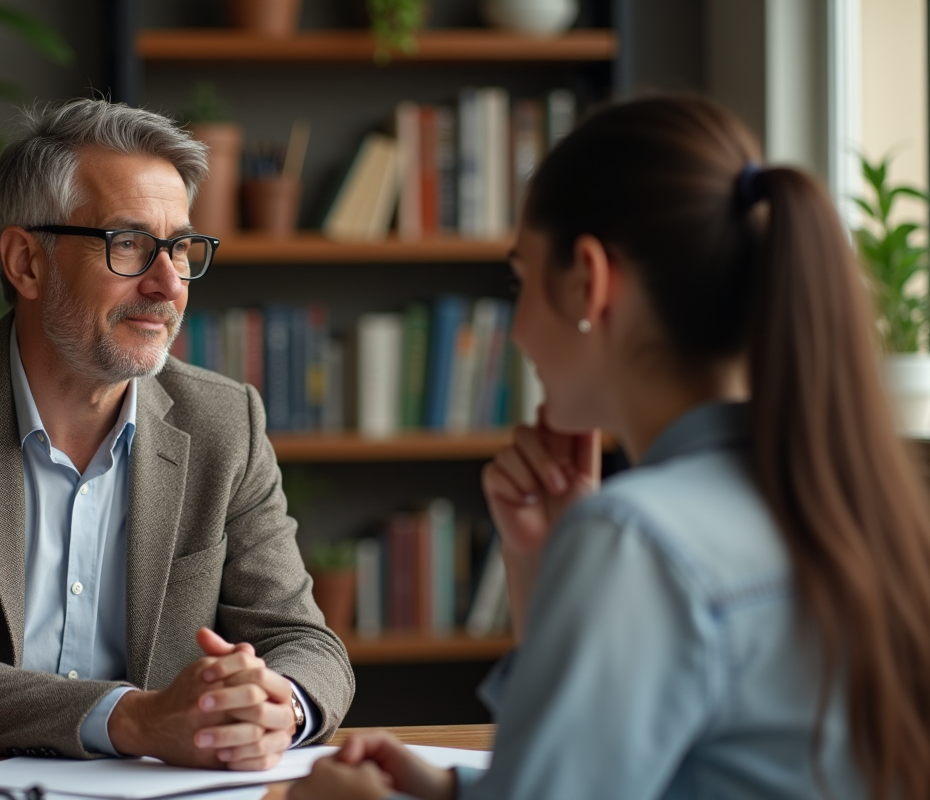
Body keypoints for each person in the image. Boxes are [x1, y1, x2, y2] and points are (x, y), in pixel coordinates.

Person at [290, 95, 930, 799]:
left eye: (521, 279)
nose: (519, 328)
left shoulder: (639, 539)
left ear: (589, 282)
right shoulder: (854, 502)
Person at [0, 98, 354, 768]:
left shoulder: (225, 422)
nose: (168, 282)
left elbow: (305, 642)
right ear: (26, 262)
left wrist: (276, 705)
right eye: (129, 244)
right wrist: (135, 718)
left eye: (180, 246)